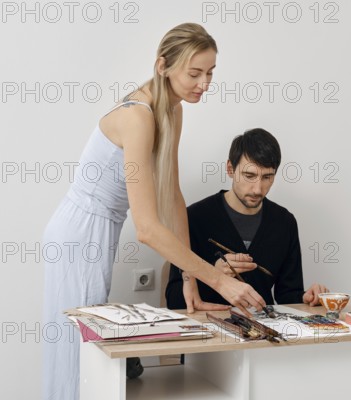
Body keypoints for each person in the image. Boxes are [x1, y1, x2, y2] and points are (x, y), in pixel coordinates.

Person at [42, 23, 265, 400]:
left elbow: (172, 196)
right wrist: (219, 279)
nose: (204, 83)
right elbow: (146, 227)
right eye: (194, 73)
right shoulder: (138, 117)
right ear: (162, 65)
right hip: (79, 232)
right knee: (75, 355)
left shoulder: (172, 111)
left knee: (86, 353)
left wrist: (188, 280)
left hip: (101, 227)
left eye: (210, 73)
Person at [166, 128, 328, 309]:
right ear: (230, 169)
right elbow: (174, 300)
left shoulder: (284, 222)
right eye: (249, 176)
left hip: (264, 330)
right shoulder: (193, 218)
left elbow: (287, 295)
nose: (258, 189)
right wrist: (212, 274)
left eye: (267, 177)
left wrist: (306, 298)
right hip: (210, 328)